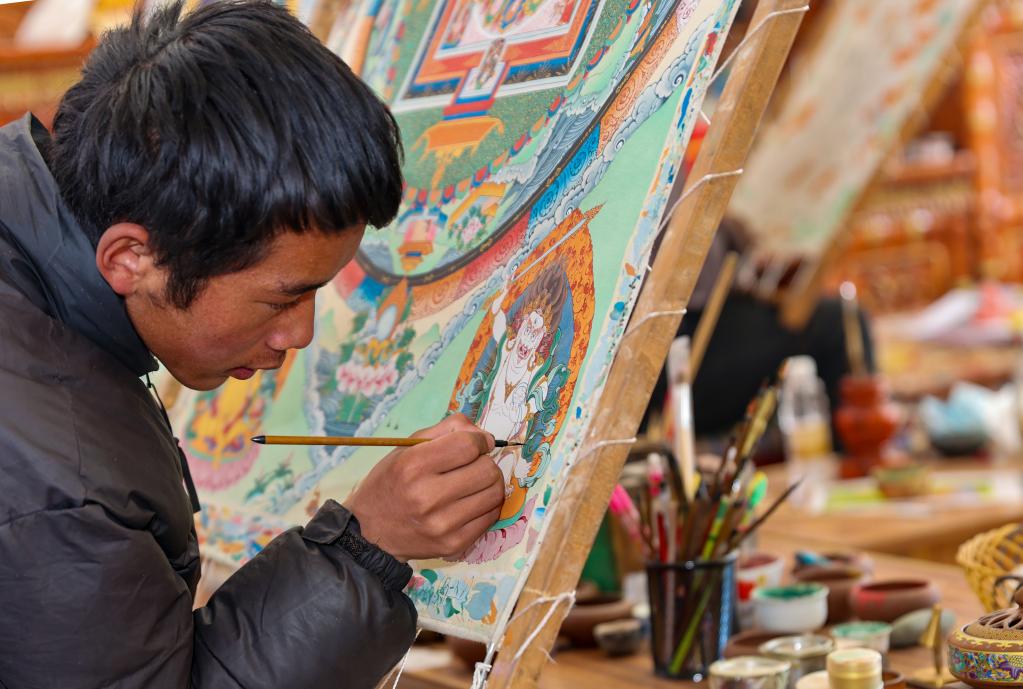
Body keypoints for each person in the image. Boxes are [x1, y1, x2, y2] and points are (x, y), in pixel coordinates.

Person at [0, 2, 505, 688]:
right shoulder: (63, 485)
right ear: (130, 260)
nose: (298, 334)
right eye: (281, 298)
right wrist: (367, 548)